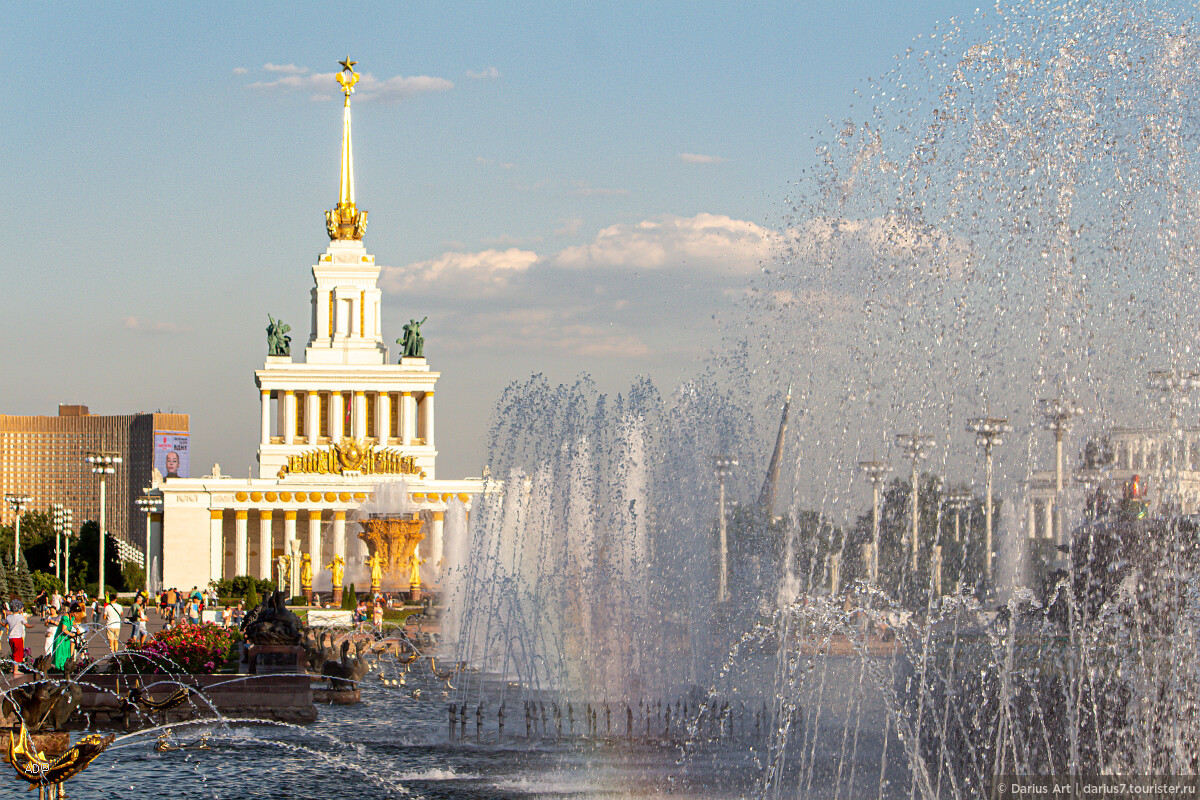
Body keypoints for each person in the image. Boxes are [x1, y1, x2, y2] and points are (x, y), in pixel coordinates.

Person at [52, 603, 78, 672]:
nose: (76, 615)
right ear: (72, 611)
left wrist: (77, 629)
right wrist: (72, 634)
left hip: (66, 638)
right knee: (61, 653)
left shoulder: (71, 617)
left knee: (66, 653)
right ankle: (59, 669)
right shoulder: (65, 617)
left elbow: (72, 622)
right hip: (61, 638)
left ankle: (65, 668)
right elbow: (64, 629)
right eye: (75, 613)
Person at [6, 601, 27, 675]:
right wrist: (33, 625)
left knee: (14, 652)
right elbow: (26, 624)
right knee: (17, 653)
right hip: (17, 637)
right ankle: (16, 670)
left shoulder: (8, 617)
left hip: (11, 638)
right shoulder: (20, 617)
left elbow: (4, 624)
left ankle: (13, 668)